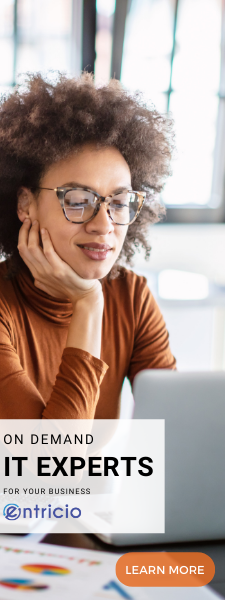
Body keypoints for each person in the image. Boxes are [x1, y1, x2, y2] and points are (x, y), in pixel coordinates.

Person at [0, 73, 176, 420]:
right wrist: (88, 303)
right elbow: (51, 466)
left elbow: (180, 433)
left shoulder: (132, 297)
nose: (103, 224)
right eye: (79, 200)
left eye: (119, 202)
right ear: (25, 204)